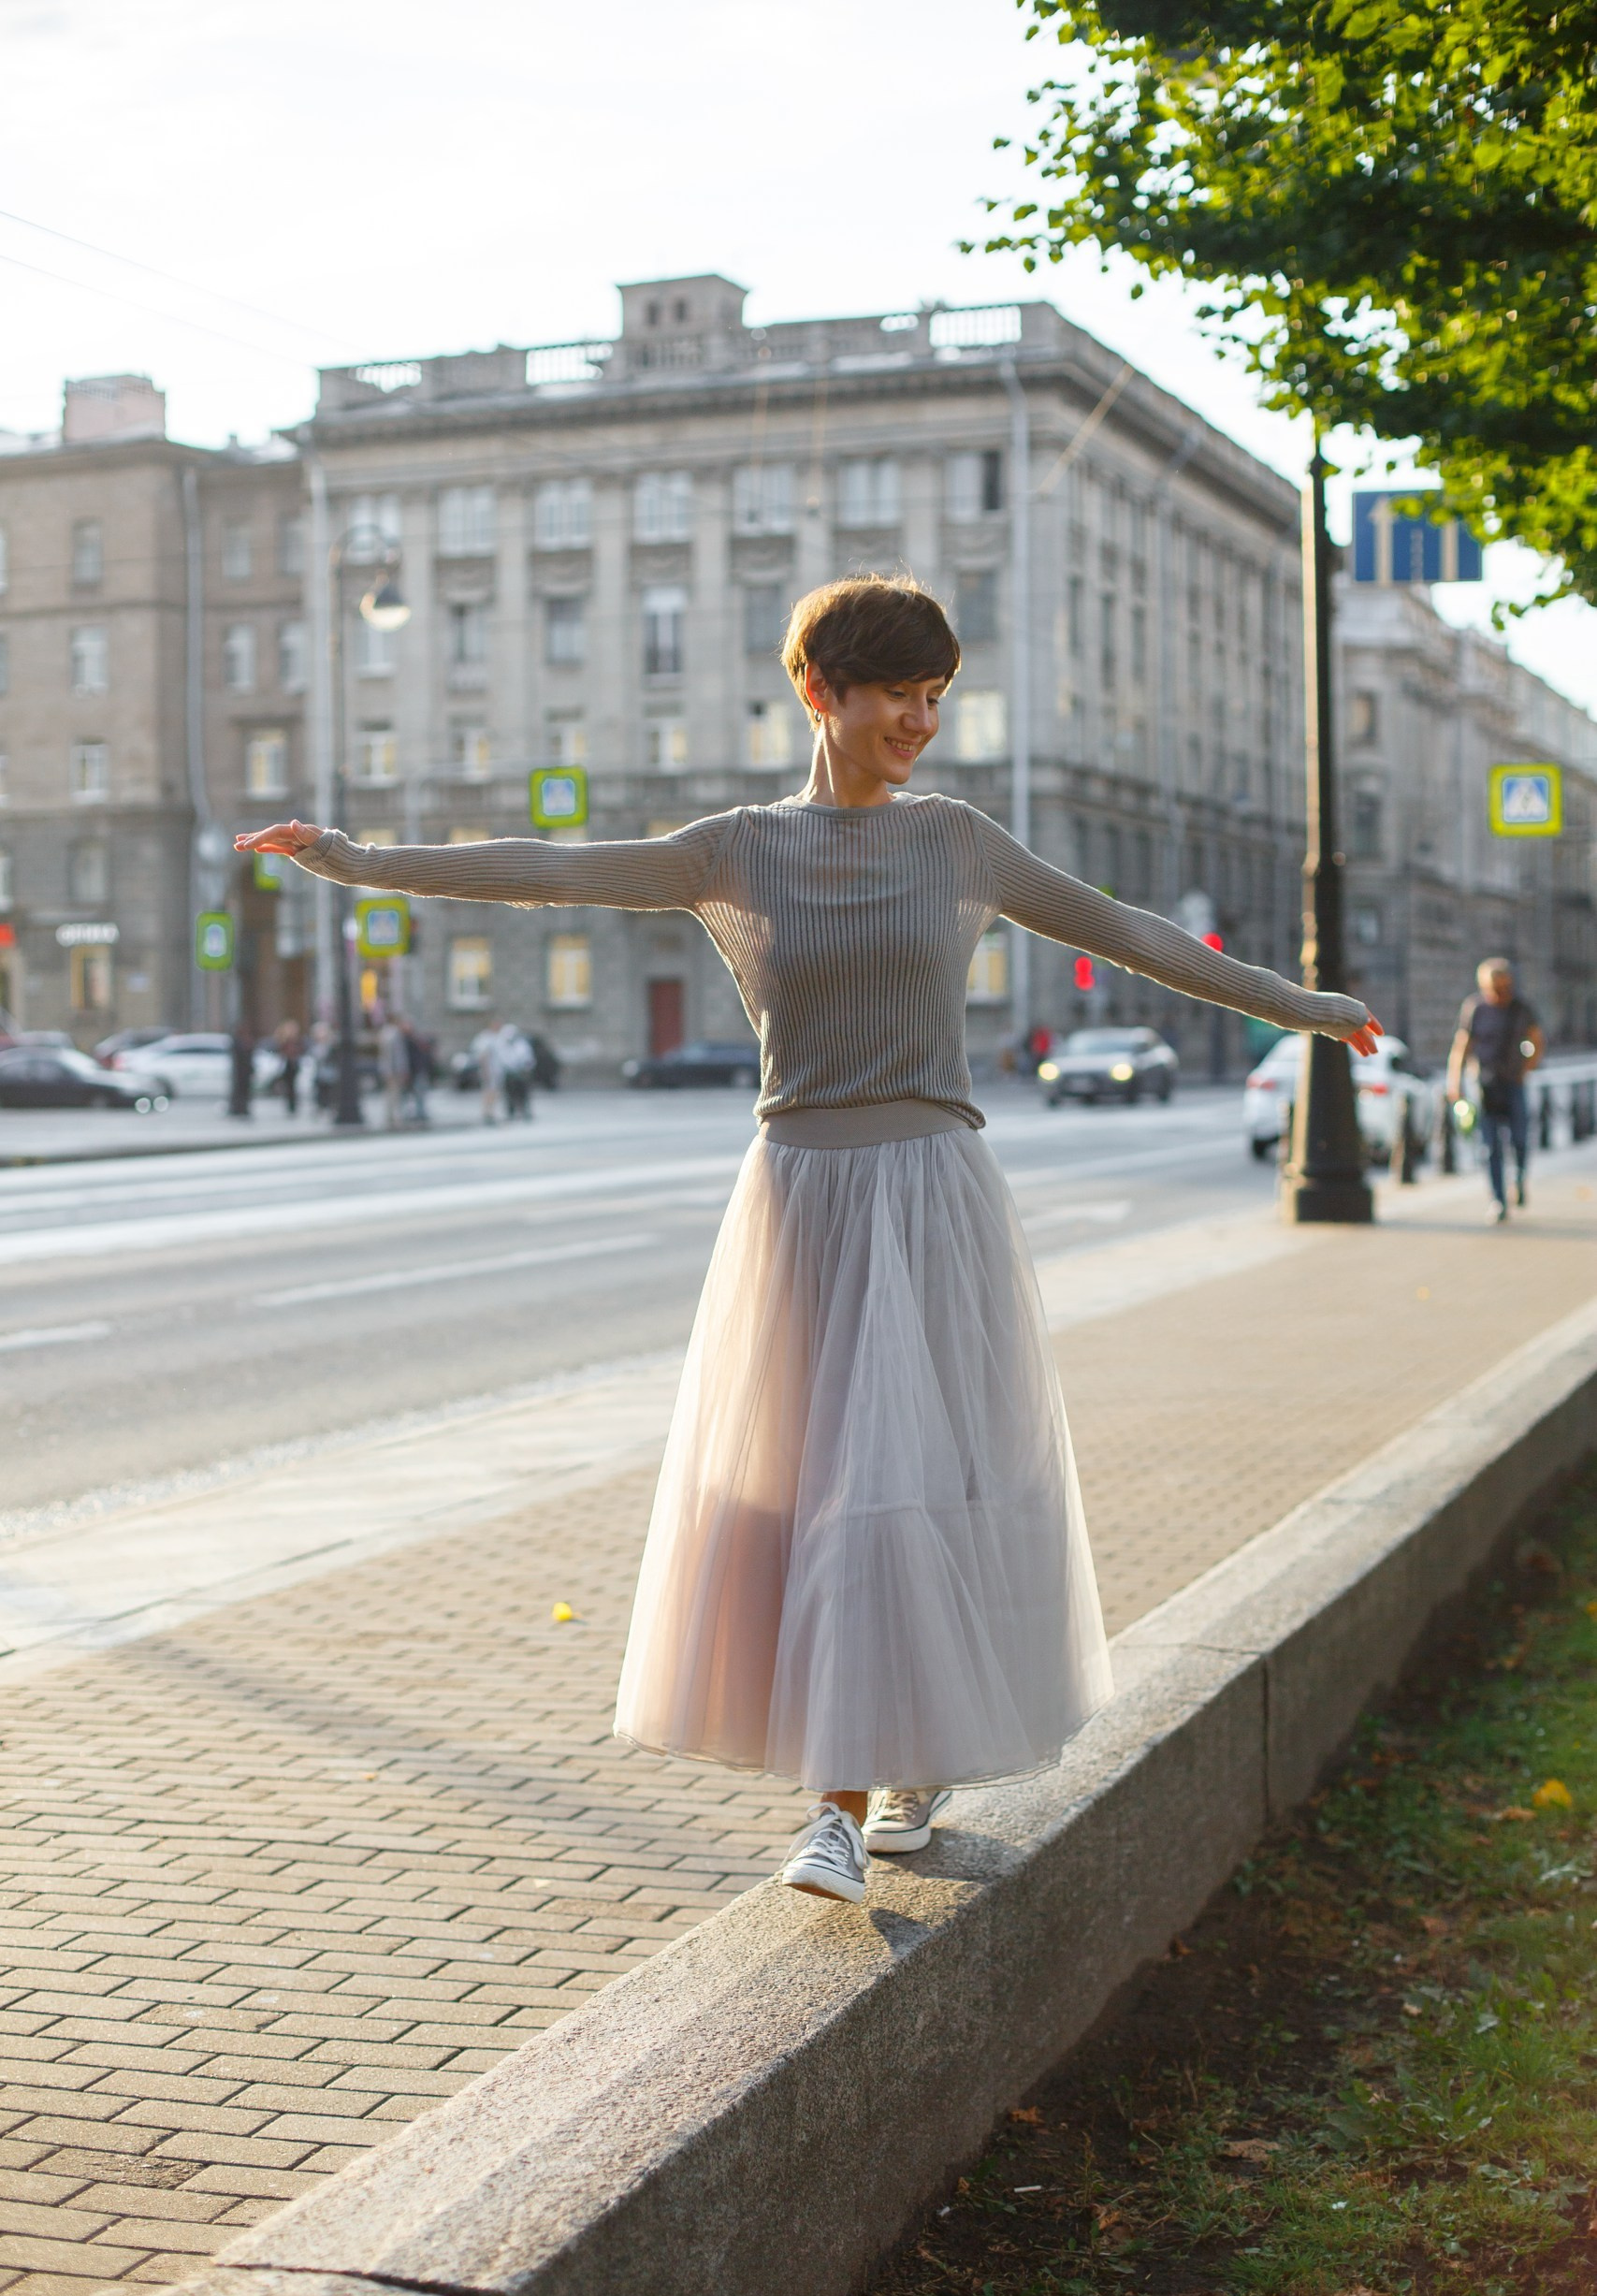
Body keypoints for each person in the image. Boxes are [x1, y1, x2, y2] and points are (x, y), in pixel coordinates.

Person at [235, 574, 1377, 1908]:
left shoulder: (956, 840)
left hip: (930, 1193)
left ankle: (880, 1784)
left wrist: (1292, 1004)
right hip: (799, 1198)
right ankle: (847, 1794)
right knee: (828, 1496)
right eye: (898, 689)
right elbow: (552, 874)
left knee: (917, 1488)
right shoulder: (733, 850)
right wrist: (358, 860)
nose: (921, 717)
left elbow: (1121, 932)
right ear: (819, 690)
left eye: (935, 694)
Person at [1446, 957, 1544, 1223]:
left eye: (1503, 987)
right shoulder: (1475, 1008)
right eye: (1493, 987)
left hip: (1514, 1083)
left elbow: (1536, 1040)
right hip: (1483, 1085)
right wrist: (1454, 1082)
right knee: (1489, 1147)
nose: (1498, 993)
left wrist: (1527, 1068)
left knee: (1520, 1140)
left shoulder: (1522, 1008)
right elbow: (1462, 1045)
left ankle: (1520, 1179)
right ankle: (1498, 1200)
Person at [378, 1014, 411, 1131]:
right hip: (394, 1070)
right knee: (395, 1095)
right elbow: (397, 1055)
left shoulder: (385, 1033)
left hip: (389, 1070)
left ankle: (390, 1117)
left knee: (390, 1094)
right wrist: (401, 1069)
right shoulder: (395, 1035)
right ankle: (395, 1118)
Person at [273, 1019, 304, 1116]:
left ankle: (293, 1106)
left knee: (292, 1087)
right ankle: (291, 1106)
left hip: (293, 1064)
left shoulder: (295, 1041)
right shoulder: (286, 1041)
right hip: (288, 1065)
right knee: (289, 1087)